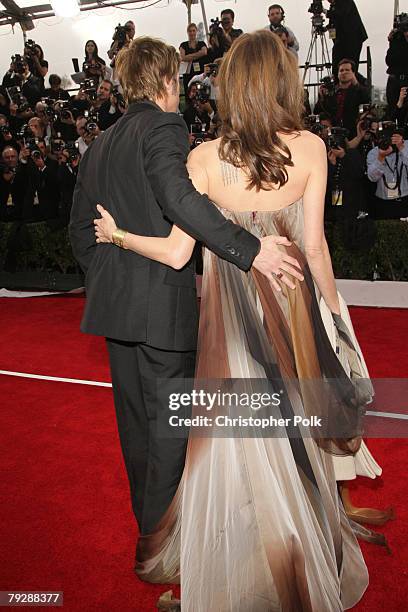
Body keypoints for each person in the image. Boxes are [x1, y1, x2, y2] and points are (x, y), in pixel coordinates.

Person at [93, 31, 372, 611]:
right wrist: (334, 319)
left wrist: (118, 235)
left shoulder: (202, 159)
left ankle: (239, 571)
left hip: (230, 328)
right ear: (281, 81)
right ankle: (302, 563)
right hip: (293, 315)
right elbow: (316, 249)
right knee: (297, 441)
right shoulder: (313, 148)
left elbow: (175, 254)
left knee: (236, 451)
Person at [69, 35, 302, 598]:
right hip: (162, 312)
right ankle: (157, 551)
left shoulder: (99, 145)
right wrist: (250, 249)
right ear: (168, 81)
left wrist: (112, 277)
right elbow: (178, 199)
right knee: (173, 433)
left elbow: (79, 233)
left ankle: (152, 534)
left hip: (114, 311)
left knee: (137, 434)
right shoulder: (165, 128)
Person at [314, 58, 370, 138]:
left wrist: (355, 82)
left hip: (352, 133)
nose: (344, 73)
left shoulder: (358, 90)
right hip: (331, 132)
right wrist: (322, 98)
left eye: (347, 70)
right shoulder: (331, 91)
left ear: (353, 73)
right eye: (341, 70)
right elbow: (317, 111)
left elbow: (366, 99)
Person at [325, 0, 368, 77]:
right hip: (340, 41)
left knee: (350, 64)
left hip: (352, 39)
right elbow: (334, 22)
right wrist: (326, 29)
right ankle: (336, 83)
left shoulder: (345, 2)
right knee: (336, 64)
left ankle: (353, 84)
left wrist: (325, 12)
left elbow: (341, 14)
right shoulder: (333, 5)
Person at [179, 23, 208, 97]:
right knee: (189, 95)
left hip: (200, 74)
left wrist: (189, 56)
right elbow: (183, 57)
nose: (192, 33)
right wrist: (198, 54)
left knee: (201, 94)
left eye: (193, 31)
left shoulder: (201, 43)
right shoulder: (183, 45)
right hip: (188, 74)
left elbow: (204, 52)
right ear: (187, 32)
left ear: (196, 31)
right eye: (190, 31)